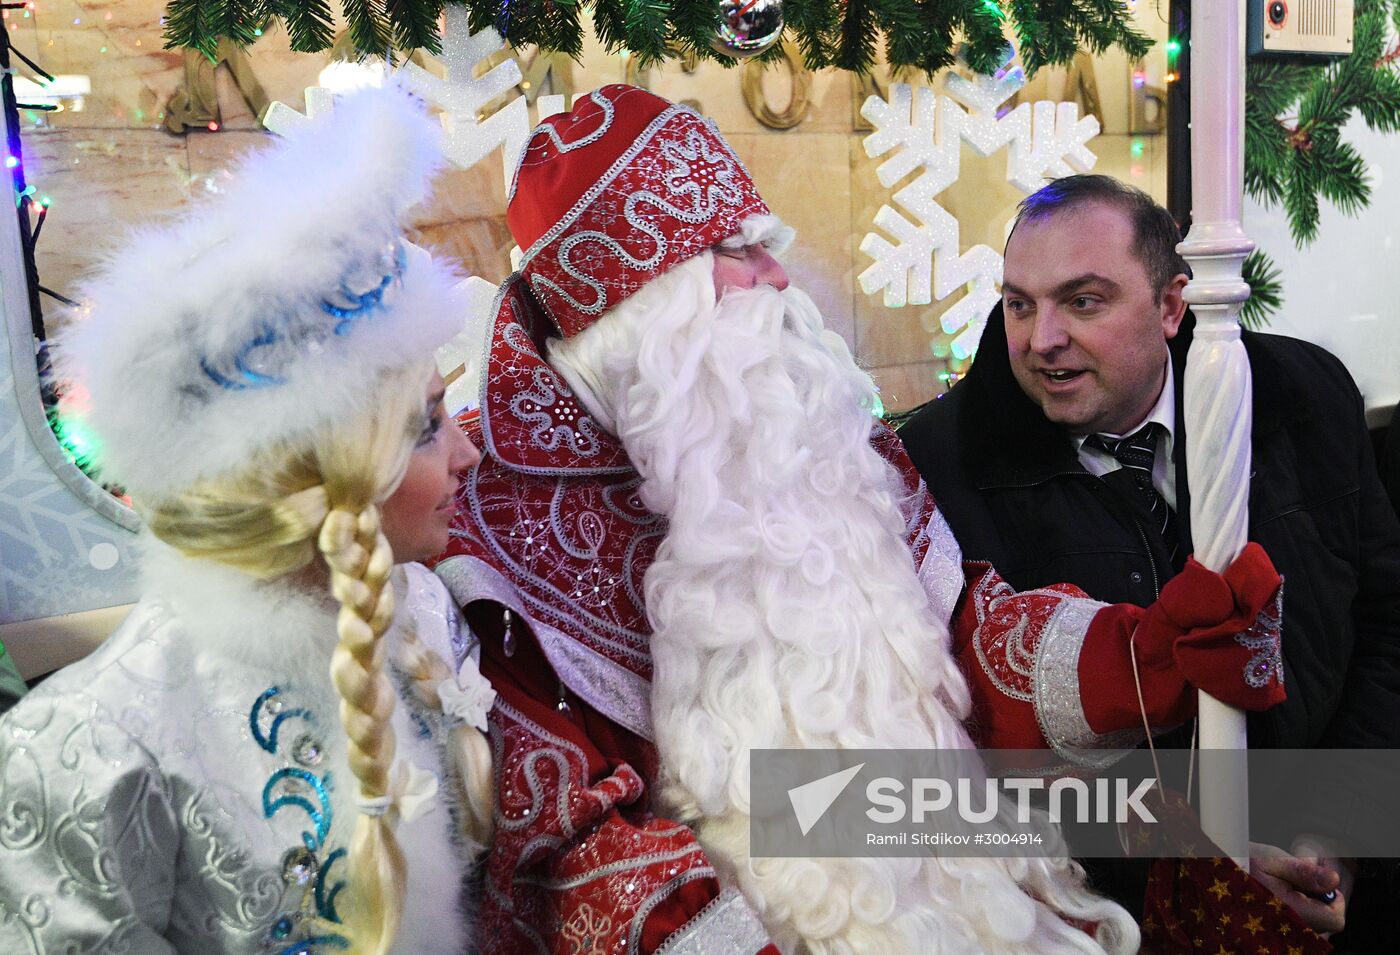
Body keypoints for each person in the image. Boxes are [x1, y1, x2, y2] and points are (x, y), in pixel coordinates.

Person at [432, 85, 1287, 953]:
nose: (777, 274)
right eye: (736, 251)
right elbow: (566, 848)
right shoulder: (489, 525)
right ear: (640, 312)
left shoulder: (815, 430)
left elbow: (958, 640)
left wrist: (1140, 655)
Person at [0, 86, 494, 954]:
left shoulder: (423, 622)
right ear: (319, 473)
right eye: (423, 424)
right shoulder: (87, 754)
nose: (469, 456)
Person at [898, 174, 1400, 945]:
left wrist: (1337, 841)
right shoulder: (942, 466)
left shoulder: (1301, 396)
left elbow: (1385, 625)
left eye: (1083, 301)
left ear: (1171, 305)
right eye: (1019, 303)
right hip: (1107, 916)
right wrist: (1198, 866)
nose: (1041, 339)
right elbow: (962, 749)